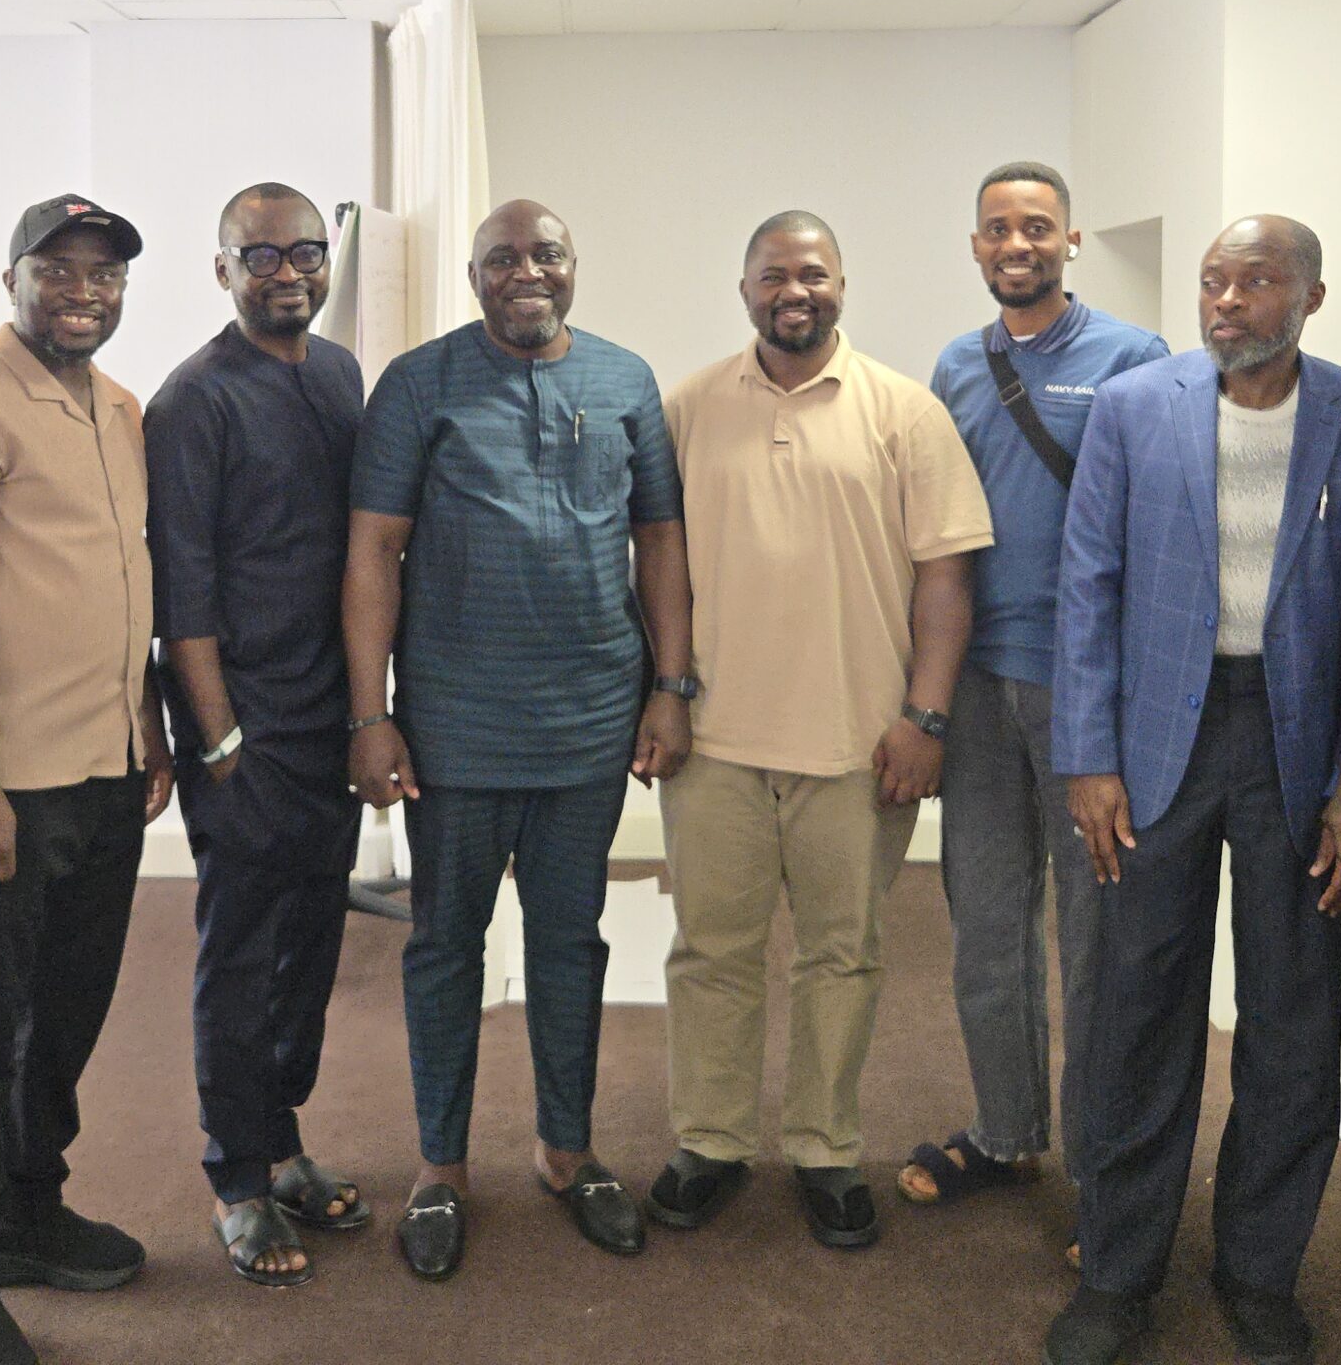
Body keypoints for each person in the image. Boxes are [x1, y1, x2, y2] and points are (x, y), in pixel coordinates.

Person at [344, 198, 692, 1281]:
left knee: (570, 940)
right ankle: (440, 1165)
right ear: (474, 276)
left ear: (574, 266)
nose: (525, 272)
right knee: (446, 944)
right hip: (454, 725)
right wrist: (371, 714)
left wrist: (671, 686)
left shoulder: (626, 381)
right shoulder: (418, 384)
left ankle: (566, 1149)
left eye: (546, 254)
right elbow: (373, 552)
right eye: (502, 259)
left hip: (589, 720)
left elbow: (660, 540)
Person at [1045, 216, 1341, 1365]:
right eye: (1212, 281)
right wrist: (1087, 756)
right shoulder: (1137, 407)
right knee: (1137, 1012)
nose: (1226, 300)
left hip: (1297, 747)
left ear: (1310, 297)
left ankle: (1258, 1272)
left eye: (1256, 281)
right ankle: (1117, 1273)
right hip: (1152, 747)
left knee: (1291, 1022)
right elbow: (1087, 581)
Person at [649, 212, 989, 1251]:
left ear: (842, 283)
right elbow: (655, 563)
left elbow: (946, 577)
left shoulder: (905, 411)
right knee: (711, 951)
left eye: (811, 273)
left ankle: (824, 1146)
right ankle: (710, 1140)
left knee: (843, 956)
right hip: (715, 741)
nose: (792, 291)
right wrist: (663, 694)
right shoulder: (687, 408)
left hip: (857, 744)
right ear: (742, 289)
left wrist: (925, 715)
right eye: (772, 275)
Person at [0, 195, 172, 1365]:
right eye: (57, 269)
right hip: (4, 788)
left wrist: (147, 722)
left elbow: (119, 581)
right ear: (11, 278)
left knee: (63, 1015)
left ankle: (29, 1205)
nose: (83, 291)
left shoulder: (118, 407)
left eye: (104, 274)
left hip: (107, 773)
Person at [902, 163, 1167, 1233]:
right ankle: (1005, 1131)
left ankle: (1105, 1170)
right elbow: (934, 536)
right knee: (985, 924)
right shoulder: (956, 366)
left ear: (1071, 240)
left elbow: (1157, 528)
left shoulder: (1134, 359)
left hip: (1083, 694)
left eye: (1038, 227)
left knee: (1096, 940)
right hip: (975, 687)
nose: (1017, 244)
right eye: (998, 228)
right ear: (975, 245)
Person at [146, 183, 368, 1288]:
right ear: (223, 269)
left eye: (305, 252)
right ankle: (237, 1181)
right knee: (240, 955)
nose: (288, 272)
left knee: (309, 948)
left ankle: (280, 1145)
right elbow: (181, 589)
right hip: (243, 727)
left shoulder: (339, 373)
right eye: (262, 255)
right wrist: (220, 740)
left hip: (330, 718)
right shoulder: (193, 400)